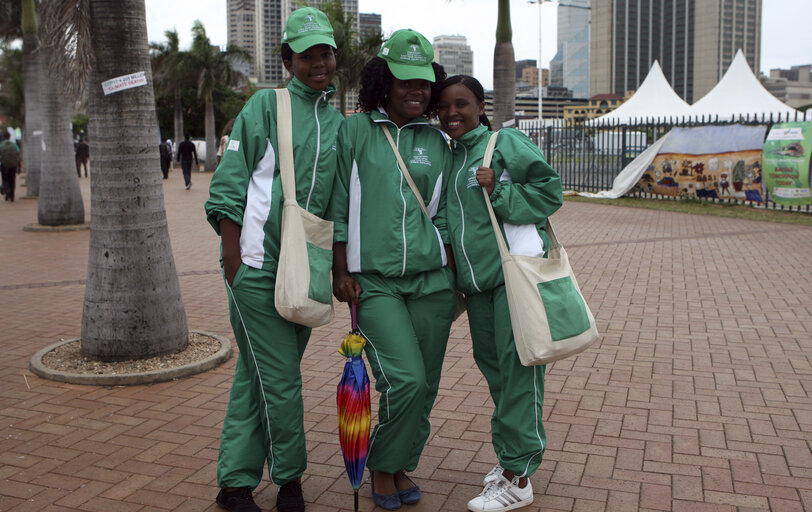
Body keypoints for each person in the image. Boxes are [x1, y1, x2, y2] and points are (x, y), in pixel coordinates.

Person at [204, 7, 342, 512]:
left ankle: (235, 484)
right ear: (287, 59)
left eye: (325, 52)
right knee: (281, 380)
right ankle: (289, 479)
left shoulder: (336, 120)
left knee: (258, 374)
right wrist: (233, 258)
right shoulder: (266, 106)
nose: (318, 62)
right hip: (257, 270)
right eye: (306, 54)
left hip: (306, 272)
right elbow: (230, 183)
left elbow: (338, 203)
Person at [327, 29, 455, 511]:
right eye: (405, 81)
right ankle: (382, 466)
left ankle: (401, 463)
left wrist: (447, 266)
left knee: (427, 383)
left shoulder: (439, 140)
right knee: (404, 379)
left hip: (432, 282)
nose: (416, 91)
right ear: (384, 81)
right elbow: (338, 204)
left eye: (423, 83)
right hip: (373, 281)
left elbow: (444, 211)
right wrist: (340, 269)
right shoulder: (355, 130)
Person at [436, 75, 563, 512]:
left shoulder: (503, 143)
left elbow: (549, 192)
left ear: (480, 106)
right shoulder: (451, 157)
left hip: (513, 283)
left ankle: (519, 476)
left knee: (519, 375)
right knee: (497, 374)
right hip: (477, 290)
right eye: (445, 107)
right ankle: (510, 459)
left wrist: (500, 188)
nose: (452, 114)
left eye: (461, 105)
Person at [1, 131, 21, 201]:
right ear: (9, 137)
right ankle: (12, 196)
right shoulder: (14, 144)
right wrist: (19, 164)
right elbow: (18, 153)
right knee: (12, 180)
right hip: (13, 165)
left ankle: (7, 193)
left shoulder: (1, 145)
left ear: (3, 137)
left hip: (4, 165)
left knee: (5, 179)